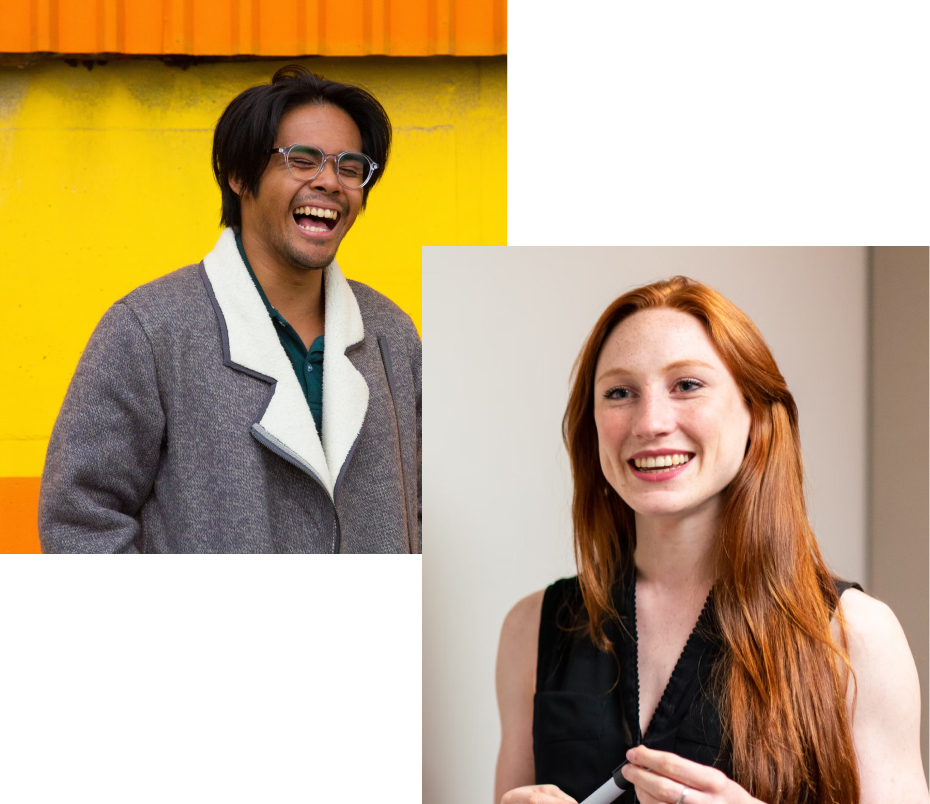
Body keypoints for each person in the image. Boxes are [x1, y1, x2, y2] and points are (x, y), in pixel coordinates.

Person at [495, 277, 926, 803]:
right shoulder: (530, 631)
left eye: (687, 385)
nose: (651, 422)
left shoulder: (857, 637)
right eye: (619, 393)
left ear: (756, 414)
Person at [39, 65, 421, 554]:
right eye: (302, 160)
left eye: (350, 167)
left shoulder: (392, 334)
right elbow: (79, 521)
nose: (330, 182)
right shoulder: (149, 330)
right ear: (239, 175)